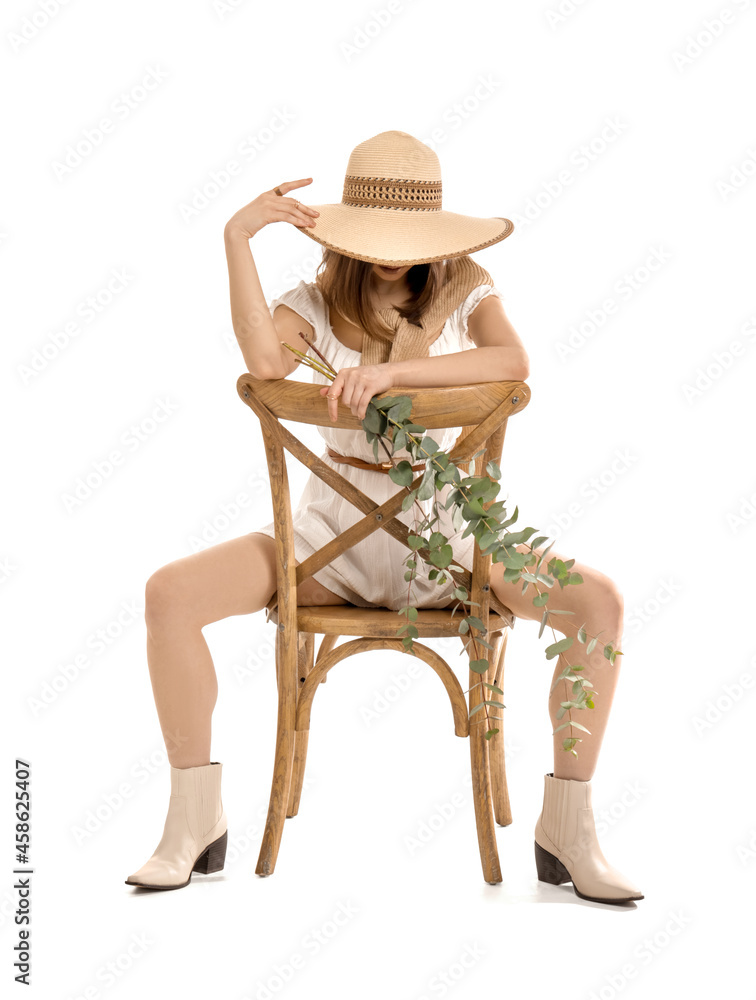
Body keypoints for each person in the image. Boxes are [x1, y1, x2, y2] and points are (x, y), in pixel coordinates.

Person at [125, 131, 643, 904]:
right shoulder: (315, 300)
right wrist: (235, 237)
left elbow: (513, 362)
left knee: (597, 602)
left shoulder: (466, 287)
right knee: (170, 594)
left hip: (451, 551)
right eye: (377, 236)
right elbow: (265, 365)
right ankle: (190, 823)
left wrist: (392, 372)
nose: (393, 253)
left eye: (408, 237)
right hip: (325, 545)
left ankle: (569, 830)